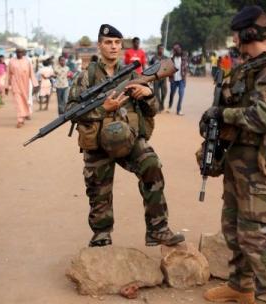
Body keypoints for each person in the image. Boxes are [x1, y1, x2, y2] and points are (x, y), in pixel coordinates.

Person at [201, 6, 266, 304]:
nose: (235, 39)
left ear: (248, 33)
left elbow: (260, 117)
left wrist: (222, 115)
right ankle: (241, 285)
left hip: (260, 164)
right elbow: (230, 101)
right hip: (237, 160)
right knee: (232, 226)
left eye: (238, 33)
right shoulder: (247, 67)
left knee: (256, 231)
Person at [66, 24, 185, 247]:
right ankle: (101, 233)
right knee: (98, 187)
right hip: (97, 141)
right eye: (108, 42)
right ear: (100, 45)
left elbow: (152, 110)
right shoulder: (85, 77)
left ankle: (157, 229)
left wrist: (148, 94)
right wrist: (104, 108)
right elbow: (70, 111)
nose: (113, 47)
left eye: (117, 43)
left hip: (128, 137)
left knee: (151, 165)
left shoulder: (133, 74)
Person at [7, 48, 39, 128]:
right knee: (18, 102)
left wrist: (35, 84)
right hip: (15, 84)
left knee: (24, 101)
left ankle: (24, 115)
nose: (19, 54)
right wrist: (6, 86)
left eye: (21, 52)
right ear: (15, 52)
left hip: (25, 84)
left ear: (23, 53)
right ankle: (20, 120)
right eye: (18, 52)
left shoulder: (27, 61)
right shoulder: (11, 61)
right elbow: (8, 74)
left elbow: (31, 73)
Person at [167, 43, 188, 116]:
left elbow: (185, 69)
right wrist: (170, 78)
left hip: (181, 79)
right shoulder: (172, 59)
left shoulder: (184, 58)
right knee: (172, 94)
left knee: (181, 94)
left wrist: (185, 79)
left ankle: (178, 110)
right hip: (173, 80)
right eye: (176, 49)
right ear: (175, 51)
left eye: (179, 49)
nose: (179, 50)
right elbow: (169, 69)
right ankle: (169, 106)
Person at [149, 44, 168, 111]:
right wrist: (151, 78)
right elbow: (150, 68)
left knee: (164, 93)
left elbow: (168, 67)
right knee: (156, 94)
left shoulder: (166, 58)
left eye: (162, 49)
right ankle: (159, 106)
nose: (161, 50)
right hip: (156, 78)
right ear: (158, 49)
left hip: (163, 78)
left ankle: (162, 102)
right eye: (160, 49)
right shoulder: (154, 58)